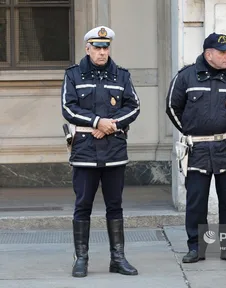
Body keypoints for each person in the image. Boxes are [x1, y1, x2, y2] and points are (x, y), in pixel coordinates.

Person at [61, 26, 140, 277]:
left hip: (114, 149)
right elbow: (68, 108)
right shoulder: (74, 75)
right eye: (97, 47)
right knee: (83, 205)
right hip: (85, 150)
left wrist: (110, 126)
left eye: (105, 47)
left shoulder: (122, 76)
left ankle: (118, 258)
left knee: (114, 206)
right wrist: (97, 122)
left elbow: (134, 107)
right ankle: (81, 258)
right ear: (88, 49)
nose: (102, 52)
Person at [166, 32, 226, 263]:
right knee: (196, 202)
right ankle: (197, 247)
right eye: (223, 52)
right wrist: (191, 129)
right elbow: (172, 107)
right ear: (208, 54)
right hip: (198, 150)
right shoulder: (186, 77)